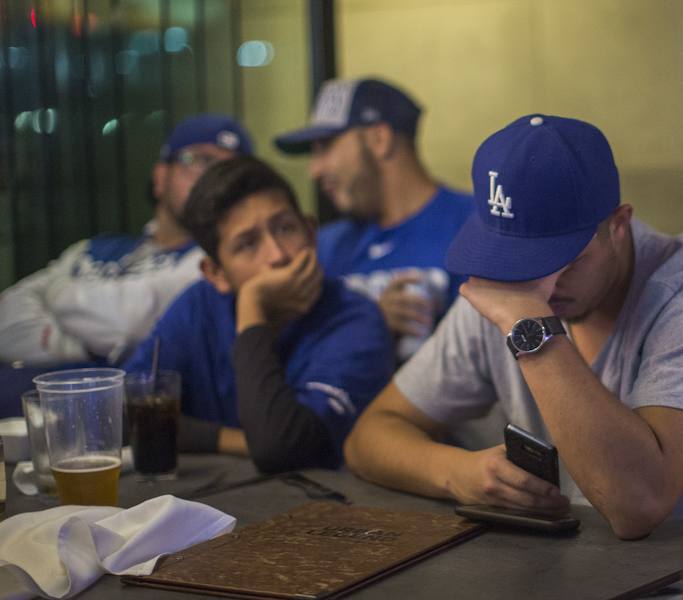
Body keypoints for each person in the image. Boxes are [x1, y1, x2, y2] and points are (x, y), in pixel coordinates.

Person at [344, 114, 683, 539]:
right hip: (597, 572)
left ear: (618, 225)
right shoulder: (508, 285)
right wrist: (457, 472)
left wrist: (531, 324)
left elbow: (637, 505)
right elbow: (369, 439)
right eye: (516, 261)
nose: (541, 286)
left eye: (562, 261)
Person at [124, 156, 393, 472]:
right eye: (248, 244)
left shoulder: (355, 320)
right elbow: (122, 414)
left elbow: (280, 448)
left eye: (286, 228)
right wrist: (233, 440)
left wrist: (252, 308)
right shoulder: (198, 306)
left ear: (310, 232)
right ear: (216, 274)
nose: (278, 255)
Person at [0, 114, 253, 367]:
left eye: (228, 172)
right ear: (160, 177)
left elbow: (126, 325)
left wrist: (52, 291)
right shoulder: (93, 247)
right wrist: (87, 350)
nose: (213, 179)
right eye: (199, 160)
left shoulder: (213, 265)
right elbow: (6, 318)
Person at [275, 77, 472, 362]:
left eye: (324, 147)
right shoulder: (325, 246)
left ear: (379, 139)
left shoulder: (476, 226)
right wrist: (369, 322)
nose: (314, 170)